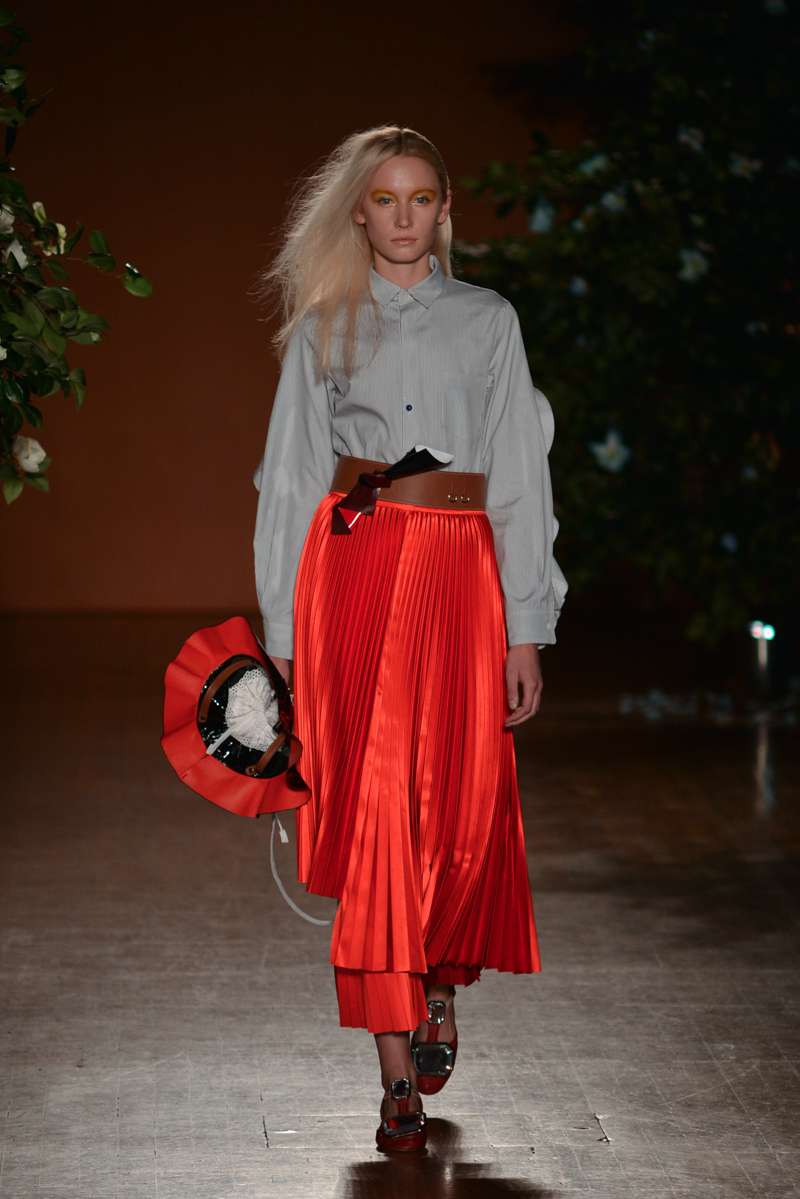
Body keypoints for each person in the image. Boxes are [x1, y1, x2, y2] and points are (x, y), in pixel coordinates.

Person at [253, 125, 566, 1152]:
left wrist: (526, 625)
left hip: (462, 578)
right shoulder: (324, 326)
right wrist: (284, 636)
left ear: (444, 208)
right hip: (356, 576)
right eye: (384, 198)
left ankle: (437, 983)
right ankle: (395, 1076)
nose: (402, 215)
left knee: (458, 810)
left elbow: (519, 473)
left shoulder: (488, 319)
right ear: (359, 210)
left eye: (420, 197)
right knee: (376, 817)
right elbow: (291, 480)